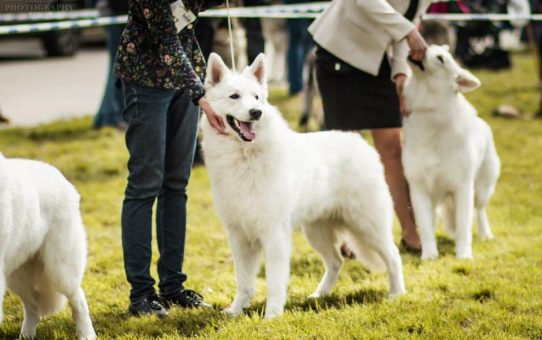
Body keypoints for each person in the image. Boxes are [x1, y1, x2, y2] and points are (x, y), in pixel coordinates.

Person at [114, 0, 226, 317]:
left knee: (177, 184)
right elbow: (164, 39)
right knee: (145, 184)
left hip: (184, 77)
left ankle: (173, 286)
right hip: (145, 79)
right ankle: (142, 294)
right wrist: (200, 95)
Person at [309, 0, 432, 253]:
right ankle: (348, 237)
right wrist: (408, 31)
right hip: (338, 53)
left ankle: (410, 233)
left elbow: (402, 29)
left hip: (376, 63)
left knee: (392, 148)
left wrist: (400, 71)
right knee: (347, 153)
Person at [93, 0, 129, 129]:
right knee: (119, 69)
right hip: (120, 15)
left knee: (119, 68)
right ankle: (112, 117)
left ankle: (111, 116)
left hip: (120, 14)